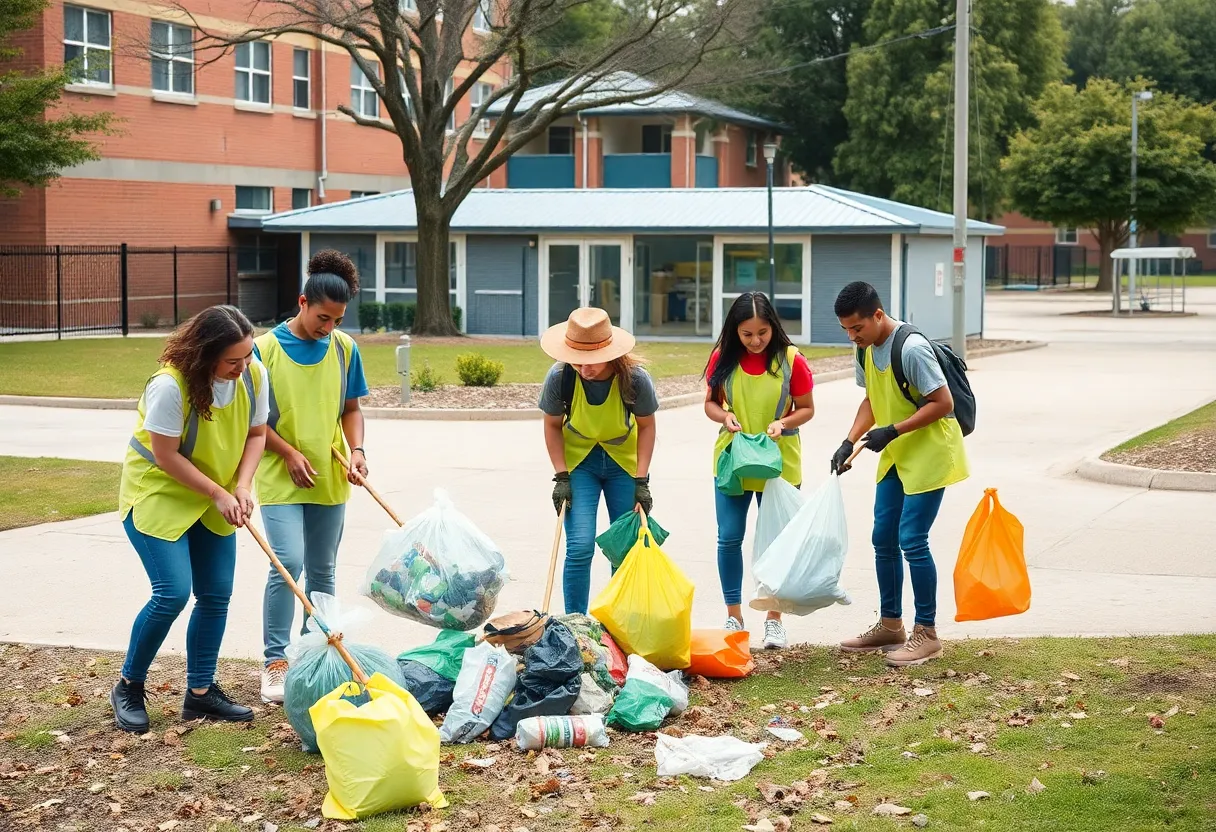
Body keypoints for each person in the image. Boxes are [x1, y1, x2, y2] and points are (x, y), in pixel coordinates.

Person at [113, 305, 268, 734]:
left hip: (215, 496)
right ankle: (128, 685)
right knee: (172, 594)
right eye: (232, 360)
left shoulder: (253, 375)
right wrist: (219, 492)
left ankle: (200, 696)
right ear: (205, 356)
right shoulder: (170, 386)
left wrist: (242, 486)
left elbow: (256, 435)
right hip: (159, 492)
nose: (243, 367)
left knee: (216, 593)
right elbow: (164, 456)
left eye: (248, 356)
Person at [831, 281, 968, 667]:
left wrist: (893, 430)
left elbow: (943, 403)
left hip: (930, 452)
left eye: (857, 328)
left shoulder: (911, 348)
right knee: (883, 536)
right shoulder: (865, 349)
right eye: (846, 330)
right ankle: (891, 625)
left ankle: (927, 633)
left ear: (878, 315)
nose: (852, 336)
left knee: (912, 538)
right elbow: (873, 399)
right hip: (896, 453)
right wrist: (849, 440)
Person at [254, 249, 370, 704]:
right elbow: (253, 422)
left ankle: (314, 656)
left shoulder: (344, 349)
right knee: (288, 564)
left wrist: (357, 450)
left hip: (329, 476)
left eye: (338, 320)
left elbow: (352, 409)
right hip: (279, 474)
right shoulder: (263, 351)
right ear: (302, 302)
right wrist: (286, 453)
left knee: (323, 571)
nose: (329, 328)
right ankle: (275, 661)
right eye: (323, 317)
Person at [704, 292, 815, 649]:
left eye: (762, 333)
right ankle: (733, 615)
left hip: (779, 464)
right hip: (733, 461)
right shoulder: (721, 358)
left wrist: (783, 423)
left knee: (777, 543)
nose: (755, 341)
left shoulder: (791, 360)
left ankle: (774, 619)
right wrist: (725, 416)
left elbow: (807, 408)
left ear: (773, 328)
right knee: (729, 537)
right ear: (734, 331)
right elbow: (710, 403)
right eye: (746, 334)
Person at [539, 307, 658, 615]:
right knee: (579, 546)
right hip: (580, 466)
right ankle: (575, 623)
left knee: (623, 549)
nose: (584, 368)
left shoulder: (635, 380)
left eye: (591, 361)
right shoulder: (560, 377)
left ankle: (618, 621)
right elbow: (552, 425)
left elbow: (647, 427)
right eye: (576, 359)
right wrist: (561, 476)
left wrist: (641, 481)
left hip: (623, 465)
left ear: (610, 352)